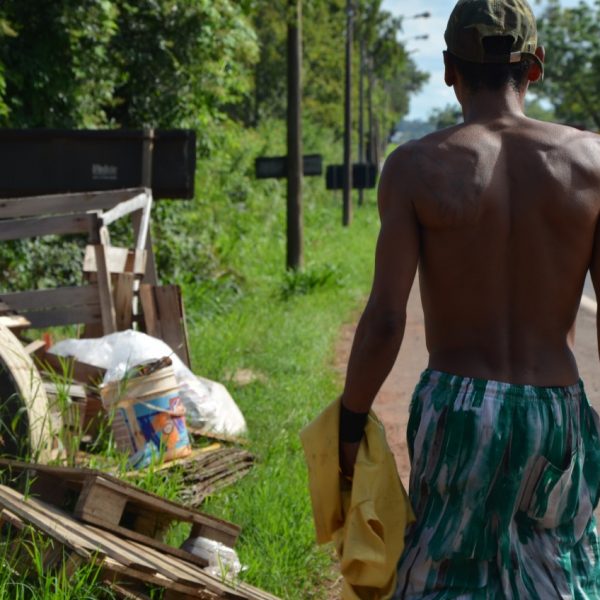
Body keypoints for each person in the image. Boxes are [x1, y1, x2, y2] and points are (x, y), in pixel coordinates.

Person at [338, 0, 600, 597]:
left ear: (449, 70)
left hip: (460, 409)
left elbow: (385, 318)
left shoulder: (415, 167)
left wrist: (350, 423)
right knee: (560, 573)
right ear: (535, 67)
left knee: (446, 577)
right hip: (556, 411)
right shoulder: (592, 161)